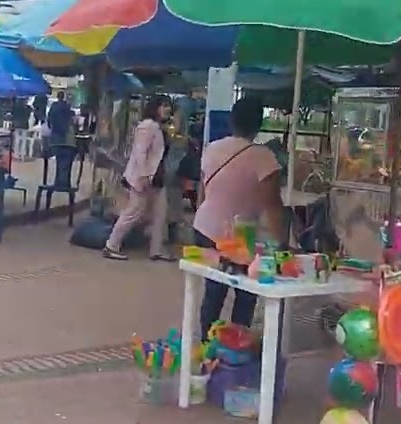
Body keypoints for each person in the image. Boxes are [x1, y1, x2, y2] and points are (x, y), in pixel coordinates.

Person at [192, 97, 288, 337]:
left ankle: (208, 345)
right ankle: (236, 347)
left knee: (214, 290)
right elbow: (273, 205)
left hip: (205, 227)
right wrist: (283, 244)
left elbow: (203, 192)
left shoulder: (212, 148)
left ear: (232, 120)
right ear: (259, 123)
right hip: (239, 236)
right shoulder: (263, 157)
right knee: (246, 294)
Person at [102, 95, 176, 262]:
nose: (167, 109)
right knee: (132, 212)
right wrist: (143, 176)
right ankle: (111, 245)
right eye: (163, 106)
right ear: (155, 107)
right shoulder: (147, 126)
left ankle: (156, 249)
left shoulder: (159, 127)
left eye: (169, 106)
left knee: (160, 214)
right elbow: (140, 152)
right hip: (145, 177)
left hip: (157, 177)